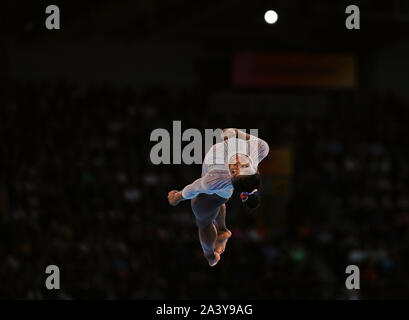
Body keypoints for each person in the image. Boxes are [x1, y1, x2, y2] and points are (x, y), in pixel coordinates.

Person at [168, 128, 270, 266]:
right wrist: (234, 133)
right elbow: (235, 132)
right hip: (221, 191)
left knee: (203, 222)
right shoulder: (261, 148)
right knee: (216, 201)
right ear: (255, 168)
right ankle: (222, 230)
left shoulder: (216, 177)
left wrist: (178, 196)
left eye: (234, 171)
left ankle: (210, 255)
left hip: (216, 190)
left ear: (231, 175)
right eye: (244, 165)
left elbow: (194, 188)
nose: (236, 163)